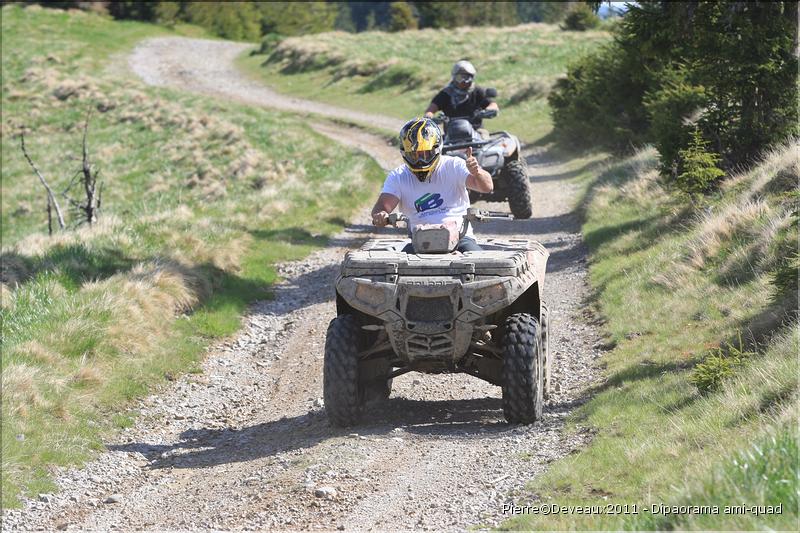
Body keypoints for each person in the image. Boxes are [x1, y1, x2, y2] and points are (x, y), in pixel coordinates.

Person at [371, 117, 493, 253]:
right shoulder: (398, 176)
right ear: (404, 154)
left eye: (425, 154)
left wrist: (477, 173)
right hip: (420, 241)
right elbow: (382, 207)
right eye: (414, 155)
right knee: (388, 267)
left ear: (437, 148)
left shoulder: (453, 165)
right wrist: (380, 215)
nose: (420, 161)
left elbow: (487, 187)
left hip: (461, 238)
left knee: (483, 264)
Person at [424, 60, 499, 138]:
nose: (464, 81)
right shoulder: (446, 93)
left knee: (485, 139)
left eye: (467, 77)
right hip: (450, 135)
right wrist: (430, 118)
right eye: (460, 77)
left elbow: (492, 104)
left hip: (477, 131)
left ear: (472, 77)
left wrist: (488, 110)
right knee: (436, 145)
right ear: (454, 77)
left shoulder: (477, 91)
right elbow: (430, 110)